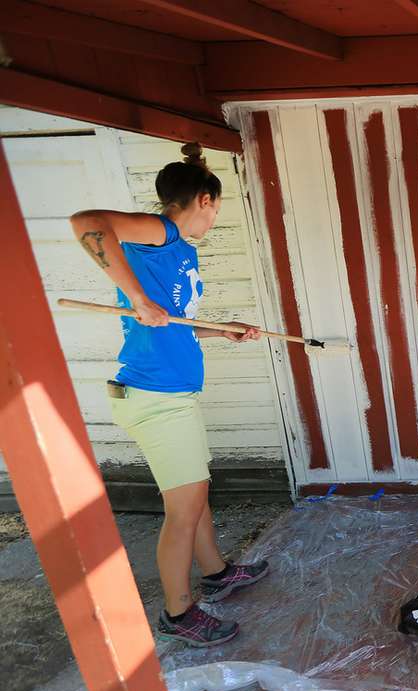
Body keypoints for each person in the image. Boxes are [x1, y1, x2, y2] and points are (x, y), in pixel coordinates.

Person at [70, 143, 270, 646]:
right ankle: (179, 613)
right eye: (215, 209)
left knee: (195, 493)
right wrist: (137, 300)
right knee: (184, 507)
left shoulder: (178, 250)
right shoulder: (163, 233)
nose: (213, 221)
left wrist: (217, 330)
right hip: (155, 396)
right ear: (203, 200)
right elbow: (87, 221)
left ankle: (216, 572)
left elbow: (171, 325)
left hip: (173, 392)